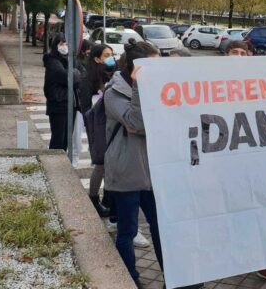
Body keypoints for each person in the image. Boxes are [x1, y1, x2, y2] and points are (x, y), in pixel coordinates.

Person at [103, 40, 189, 288]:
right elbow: (135, 123)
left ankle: (172, 277)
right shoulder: (114, 93)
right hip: (126, 169)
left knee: (162, 227)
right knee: (128, 231)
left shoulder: (158, 87)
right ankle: (130, 279)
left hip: (153, 171)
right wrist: (140, 87)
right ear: (135, 68)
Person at [224, 39, 266, 287]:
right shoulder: (206, 78)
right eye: (234, 52)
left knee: (263, 213)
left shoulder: (264, 77)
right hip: (224, 162)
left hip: (260, 162)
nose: (239, 56)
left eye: (243, 52)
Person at [77, 44, 115, 218]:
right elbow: (85, 108)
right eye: (106, 55)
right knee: (100, 164)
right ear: (97, 58)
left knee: (110, 165)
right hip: (97, 127)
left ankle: (108, 198)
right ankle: (93, 199)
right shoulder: (88, 80)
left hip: (111, 125)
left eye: (111, 54)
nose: (110, 57)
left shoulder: (113, 74)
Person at [43, 33, 79, 151]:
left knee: (66, 140)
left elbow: (82, 75)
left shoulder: (69, 59)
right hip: (58, 105)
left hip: (70, 104)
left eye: (66, 44)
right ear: (55, 45)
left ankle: (63, 162)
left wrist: (75, 74)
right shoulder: (52, 61)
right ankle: (54, 164)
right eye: (61, 44)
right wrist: (75, 73)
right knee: (58, 139)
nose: (64, 46)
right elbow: (66, 77)